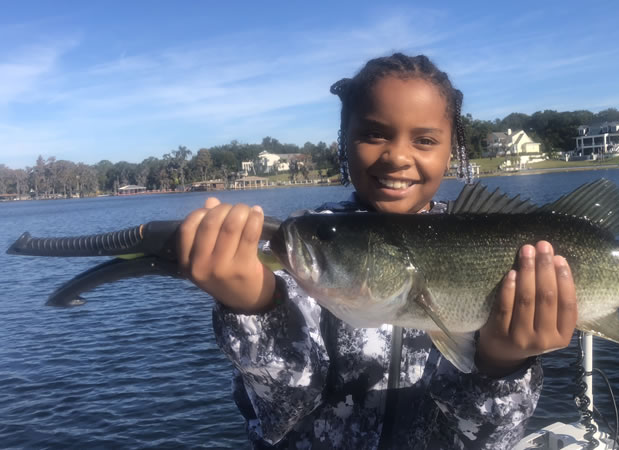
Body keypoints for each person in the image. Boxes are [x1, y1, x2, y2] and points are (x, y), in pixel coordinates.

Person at [178, 53, 577, 449]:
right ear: (344, 139)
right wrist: (256, 311)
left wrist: (502, 363)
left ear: (452, 150)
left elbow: (489, 438)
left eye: (424, 140)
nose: (397, 157)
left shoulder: (486, 234)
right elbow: (283, 411)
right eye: (374, 134)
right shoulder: (311, 246)